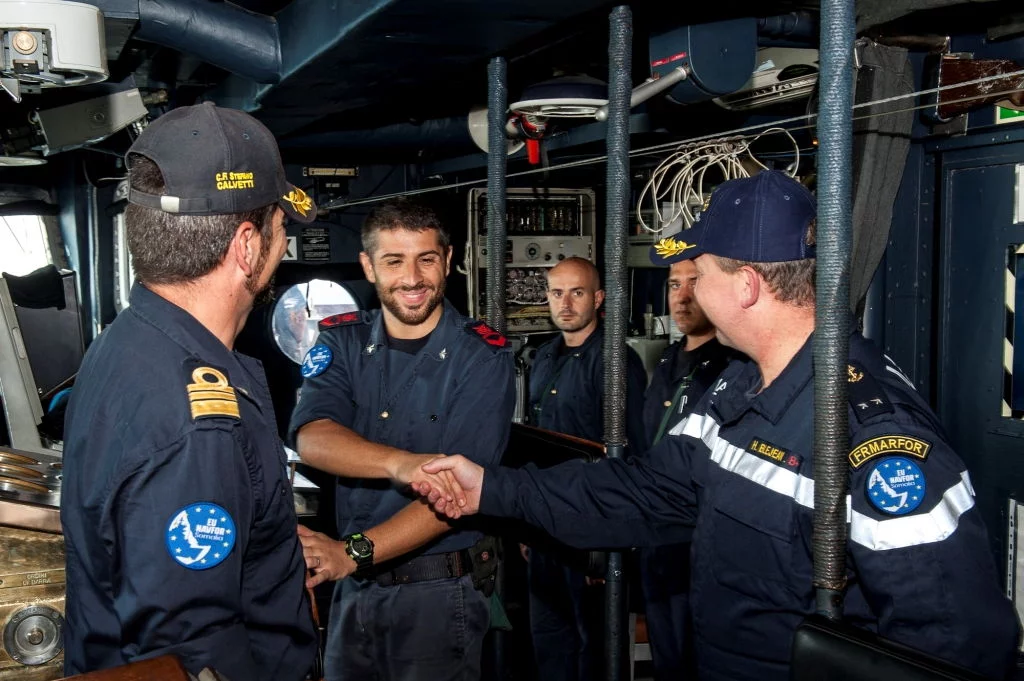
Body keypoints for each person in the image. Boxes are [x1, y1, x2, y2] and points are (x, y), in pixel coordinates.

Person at [413, 171, 1021, 681]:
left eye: (699, 272)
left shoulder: (872, 438)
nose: (692, 290)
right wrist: (493, 489)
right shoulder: (737, 386)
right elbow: (647, 490)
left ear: (747, 287)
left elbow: (953, 643)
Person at [61, 102, 320, 680]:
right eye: (281, 229)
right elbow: (192, 654)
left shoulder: (125, 343)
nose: (283, 248)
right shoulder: (200, 427)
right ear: (246, 246)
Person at [288, 198, 516, 681]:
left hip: (438, 596)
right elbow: (313, 435)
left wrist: (350, 553)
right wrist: (400, 463)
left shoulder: (481, 357)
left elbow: (456, 496)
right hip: (355, 591)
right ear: (368, 266)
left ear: (448, 261)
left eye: (426, 259)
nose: (412, 278)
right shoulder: (342, 341)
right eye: (394, 261)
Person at [522, 257, 647, 681]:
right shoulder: (543, 358)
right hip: (544, 524)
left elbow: (632, 455)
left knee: (594, 644)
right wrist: (526, 522)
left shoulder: (615, 361)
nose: (566, 303)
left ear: (597, 298)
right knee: (549, 637)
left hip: (590, 527)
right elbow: (534, 446)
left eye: (577, 293)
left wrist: (611, 541)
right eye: (557, 293)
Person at [638, 244, 735, 681]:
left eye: (694, 283)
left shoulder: (731, 368)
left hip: (698, 540)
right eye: (674, 285)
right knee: (666, 654)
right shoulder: (668, 361)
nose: (681, 297)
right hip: (656, 534)